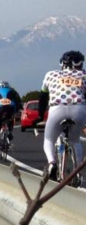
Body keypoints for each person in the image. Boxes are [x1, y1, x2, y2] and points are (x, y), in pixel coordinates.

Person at [36, 50, 86, 181]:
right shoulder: (84, 75)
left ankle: (52, 163)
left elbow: (43, 98)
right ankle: (78, 171)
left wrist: (40, 116)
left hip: (56, 109)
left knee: (49, 140)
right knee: (75, 141)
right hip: (79, 109)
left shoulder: (51, 74)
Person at [0, 80, 22, 156]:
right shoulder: (12, 91)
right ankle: (10, 132)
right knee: (10, 118)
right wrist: (16, 110)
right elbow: (18, 102)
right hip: (9, 109)